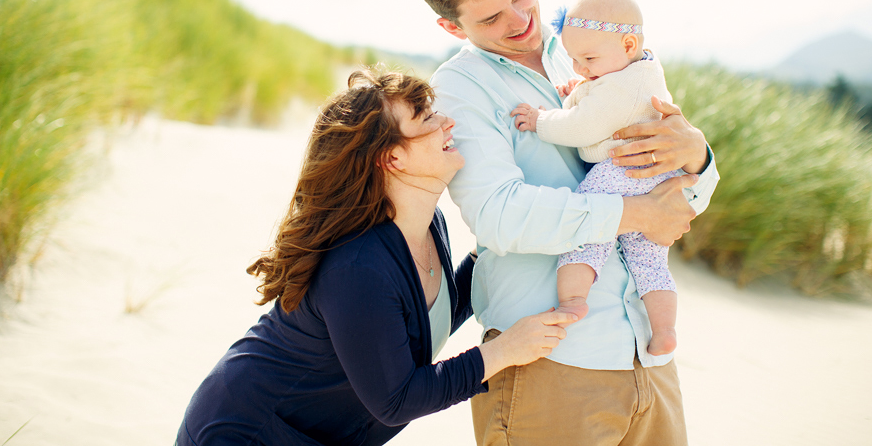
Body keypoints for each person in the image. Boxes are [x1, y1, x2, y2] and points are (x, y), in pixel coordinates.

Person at [412, 0, 720, 445]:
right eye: (491, 17)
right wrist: (636, 214)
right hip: (551, 362)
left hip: (648, 356)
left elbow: (678, 197)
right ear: (451, 27)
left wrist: (698, 158)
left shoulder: (591, 45)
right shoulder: (460, 89)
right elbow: (500, 215)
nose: (520, 20)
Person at [176, 68, 577, 446]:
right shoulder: (358, 266)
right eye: (426, 119)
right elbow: (396, 400)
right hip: (247, 430)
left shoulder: (428, 225)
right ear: (392, 158)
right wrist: (505, 351)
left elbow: (427, 319)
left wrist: (499, 243)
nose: (447, 123)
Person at [511, 0, 685, 356]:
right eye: (573, 60)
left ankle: (574, 298)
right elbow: (602, 95)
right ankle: (665, 328)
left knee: (590, 230)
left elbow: (585, 129)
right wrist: (580, 90)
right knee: (649, 259)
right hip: (653, 176)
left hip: (621, 171)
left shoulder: (625, 84)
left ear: (628, 43)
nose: (579, 68)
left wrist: (540, 120)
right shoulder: (636, 71)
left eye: (588, 59)